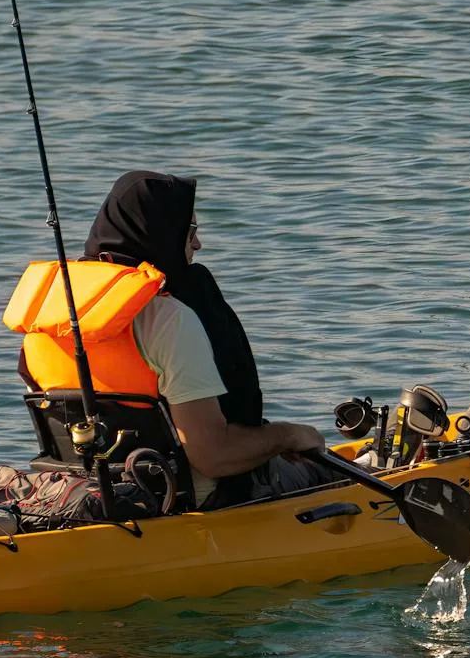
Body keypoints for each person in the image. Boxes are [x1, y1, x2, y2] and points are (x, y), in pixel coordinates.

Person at [81, 170, 328, 508]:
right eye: (190, 231)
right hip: (186, 495)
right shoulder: (168, 320)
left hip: (85, 490)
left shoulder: (50, 320)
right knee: (325, 476)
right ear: (162, 235)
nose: (197, 244)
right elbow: (213, 456)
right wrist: (291, 436)